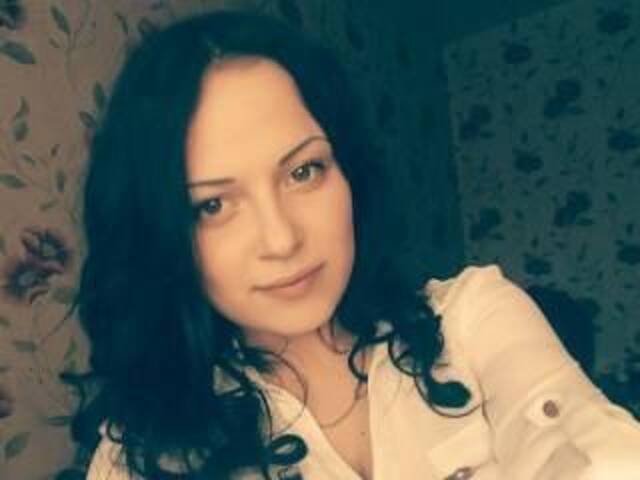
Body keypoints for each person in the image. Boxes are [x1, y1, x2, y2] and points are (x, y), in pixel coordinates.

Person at [69, 9, 640, 480]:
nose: (282, 238)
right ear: (163, 232)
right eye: (213, 205)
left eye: (304, 171)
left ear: (347, 171)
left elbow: (600, 457)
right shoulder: (143, 456)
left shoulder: (474, 319)